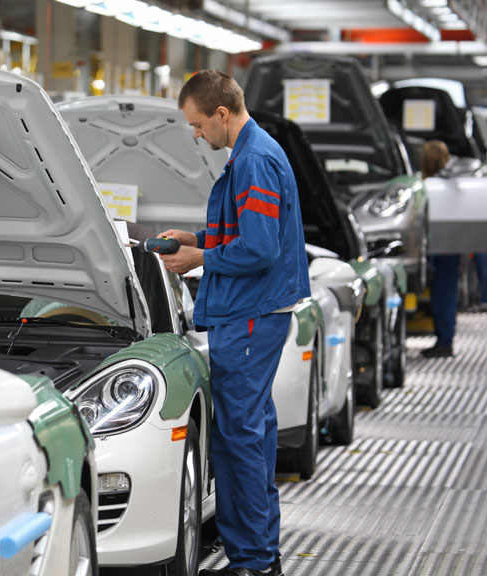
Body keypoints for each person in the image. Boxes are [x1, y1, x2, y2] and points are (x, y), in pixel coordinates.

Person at [159, 70, 310, 576]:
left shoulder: (254, 161)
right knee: (255, 431)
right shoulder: (250, 155)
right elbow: (246, 230)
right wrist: (196, 236)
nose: (198, 135)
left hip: (250, 313)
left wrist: (200, 258)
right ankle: (261, 553)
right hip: (252, 311)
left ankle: (252, 561)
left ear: (222, 113)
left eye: (199, 125)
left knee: (239, 436)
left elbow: (260, 248)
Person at [420, 140, 458, 358]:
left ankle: (444, 341)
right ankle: (445, 338)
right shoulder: (454, 184)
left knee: (441, 294)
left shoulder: (427, 185)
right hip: (453, 244)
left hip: (437, 247)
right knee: (447, 293)